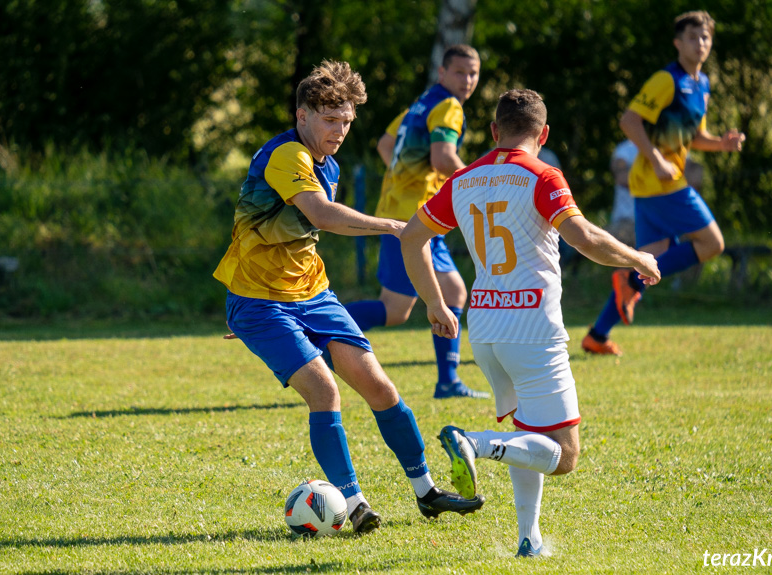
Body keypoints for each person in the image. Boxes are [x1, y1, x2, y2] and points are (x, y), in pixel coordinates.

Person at [212, 60, 484, 535]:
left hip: (313, 293)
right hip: (258, 301)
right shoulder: (286, 156)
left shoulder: (329, 163)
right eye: (329, 120)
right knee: (325, 390)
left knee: (380, 387)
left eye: (346, 122)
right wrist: (392, 225)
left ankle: (426, 493)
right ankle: (353, 505)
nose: (339, 131)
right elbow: (320, 215)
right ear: (302, 116)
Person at [400, 89, 660, 557]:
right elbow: (583, 238)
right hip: (532, 329)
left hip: (483, 329)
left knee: (528, 431)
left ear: (495, 132)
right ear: (543, 134)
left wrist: (435, 303)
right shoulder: (541, 174)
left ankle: (528, 538)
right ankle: (474, 443)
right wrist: (636, 256)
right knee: (564, 455)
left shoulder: (464, 178)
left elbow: (411, 238)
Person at [582, 10, 745, 356]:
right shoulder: (666, 80)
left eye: (705, 38)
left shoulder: (702, 84)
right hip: (660, 181)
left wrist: (721, 144)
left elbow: (694, 135)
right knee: (712, 243)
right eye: (692, 37)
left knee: (653, 259)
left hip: (656, 184)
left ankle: (596, 336)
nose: (700, 43)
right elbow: (629, 121)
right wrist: (655, 158)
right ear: (677, 43)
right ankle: (628, 280)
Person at [344, 45, 490, 399]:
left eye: (473, 73)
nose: (467, 80)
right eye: (460, 72)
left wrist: (406, 176)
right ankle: (315, 327)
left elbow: (385, 143)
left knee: (453, 291)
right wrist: (482, 183)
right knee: (395, 311)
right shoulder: (448, 107)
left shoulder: (421, 103)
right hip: (411, 220)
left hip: (414, 215)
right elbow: (443, 158)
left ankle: (448, 382)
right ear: (442, 73)